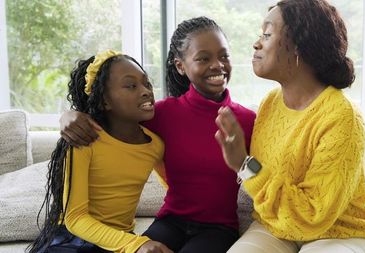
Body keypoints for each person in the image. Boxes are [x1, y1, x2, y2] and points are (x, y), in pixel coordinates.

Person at [58, 17, 256, 253]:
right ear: (181, 66)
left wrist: (242, 162)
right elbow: (112, 117)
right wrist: (69, 115)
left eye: (224, 56)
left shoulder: (247, 120)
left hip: (218, 228)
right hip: (171, 221)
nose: (218, 65)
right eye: (204, 58)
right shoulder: (161, 114)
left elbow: (260, 176)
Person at [215, 1, 365, 252]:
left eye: (267, 34)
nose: (256, 43)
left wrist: (244, 164)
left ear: (300, 46)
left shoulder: (342, 117)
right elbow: (265, 178)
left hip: (341, 234)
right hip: (274, 227)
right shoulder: (270, 104)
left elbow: (313, 216)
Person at [28, 50, 172, 253]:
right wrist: (135, 244)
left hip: (116, 241)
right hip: (74, 240)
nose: (146, 91)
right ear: (104, 100)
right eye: (131, 85)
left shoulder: (155, 145)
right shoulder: (84, 140)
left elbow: (175, 189)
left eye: (147, 83)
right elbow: (75, 218)